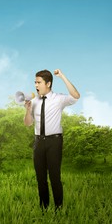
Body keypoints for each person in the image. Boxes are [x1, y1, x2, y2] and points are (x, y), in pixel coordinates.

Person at [24, 69, 80, 211]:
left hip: (54, 141)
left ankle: (59, 209)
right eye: (35, 82)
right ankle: (44, 208)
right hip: (38, 142)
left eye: (39, 82)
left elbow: (76, 96)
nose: (36, 85)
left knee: (55, 177)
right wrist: (27, 110)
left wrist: (62, 76)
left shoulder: (58, 99)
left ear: (48, 84)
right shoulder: (33, 101)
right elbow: (28, 123)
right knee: (40, 178)